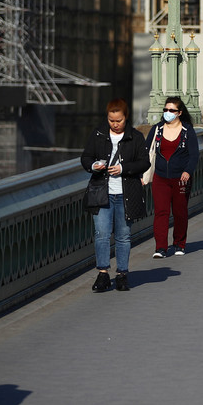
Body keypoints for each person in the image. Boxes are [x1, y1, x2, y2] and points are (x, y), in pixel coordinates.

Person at [81, 99, 150, 292]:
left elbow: (144, 162)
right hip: (102, 193)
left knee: (123, 235)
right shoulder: (99, 134)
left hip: (125, 193)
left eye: (119, 120)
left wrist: (123, 168)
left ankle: (122, 274)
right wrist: (93, 165)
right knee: (101, 234)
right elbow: (86, 157)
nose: (115, 124)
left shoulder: (135, 137)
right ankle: (103, 273)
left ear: (125, 118)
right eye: (111, 120)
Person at [146, 96, 199, 258]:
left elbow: (194, 154)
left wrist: (187, 171)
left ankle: (179, 244)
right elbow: (146, 152)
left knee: (180, 212)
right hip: (160, 177)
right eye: (165, 109)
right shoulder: (157, 129)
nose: (167, 112)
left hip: (181, 179)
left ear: (179, 113)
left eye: (171, 110)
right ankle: (160, 248)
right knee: (161, 212)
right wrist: (142, 173)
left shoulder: (187, 130)